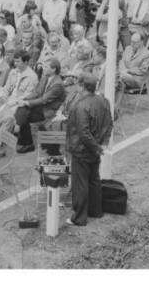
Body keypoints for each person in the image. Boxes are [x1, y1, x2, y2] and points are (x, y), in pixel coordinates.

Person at [64, 73, 113, 227]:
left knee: (80, 184)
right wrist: (101, 144)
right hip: (95, 147)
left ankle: (79, 217)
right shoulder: (103, 101)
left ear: (81, 86)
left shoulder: (80, 106)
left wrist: (96, 147)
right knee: (94, 180)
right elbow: (109, 123)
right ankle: (96, 211)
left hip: (82, 149)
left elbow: (83, 133)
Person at [13, 58, 66, 153]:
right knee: (22, 110)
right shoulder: (45, 77)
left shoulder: (58, 84)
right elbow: (37, 92)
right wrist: (25, 99)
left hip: (49, 110)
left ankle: (26, 142)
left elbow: (44, 100)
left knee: (23, 113)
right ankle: (25, 141)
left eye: (46, 67)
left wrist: (27, 103)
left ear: (53, 69)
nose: (43, 68)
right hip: (41, 106)